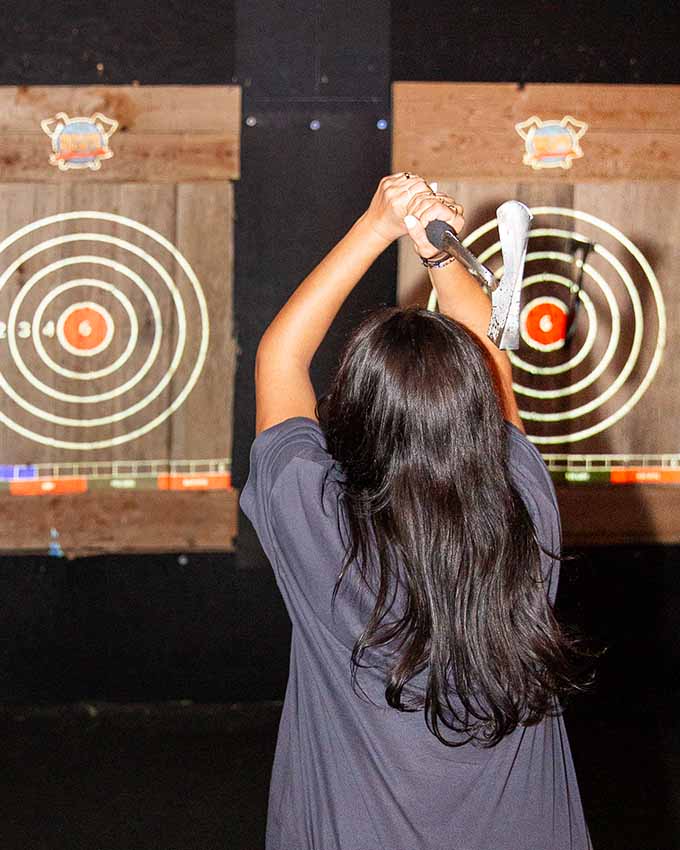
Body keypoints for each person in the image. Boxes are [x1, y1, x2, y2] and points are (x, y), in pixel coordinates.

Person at [240, 173, 592, 850]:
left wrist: (378, 225)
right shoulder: (522, 506)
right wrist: (437, 254)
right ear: (475, 411)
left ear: (355, 410)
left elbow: (279, 356)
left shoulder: (316, 522)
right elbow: (491, 360)